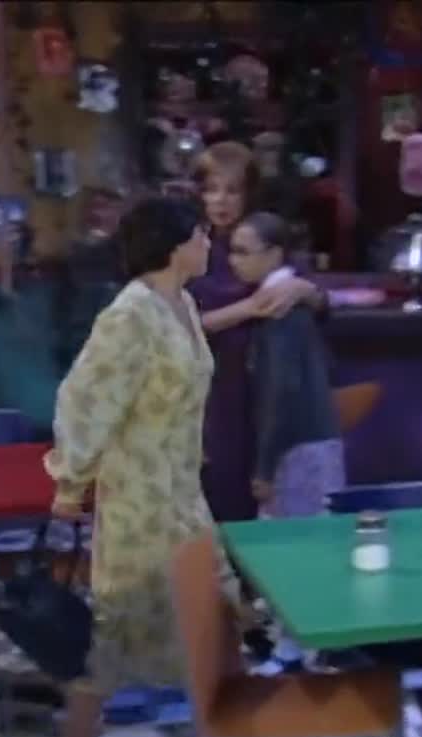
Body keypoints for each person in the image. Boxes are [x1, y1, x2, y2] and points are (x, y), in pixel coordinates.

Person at [45, 195, 248, 737]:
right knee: (118, 624)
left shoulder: (181, 304)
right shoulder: (130, 314)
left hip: (180, 486)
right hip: (138, 495)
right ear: (174, 243)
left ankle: (227, 728)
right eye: (200, 234)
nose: (209, 244)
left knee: (218, 604)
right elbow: (86, 399)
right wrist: (71, 481)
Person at [187, 142, 328, 523]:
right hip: (216, 393)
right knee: (222, 498)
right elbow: (178, 326)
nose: (221, 200)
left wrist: (305, 290)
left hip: (269, 388)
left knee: (274, 505)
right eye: (212, 189)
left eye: (232, 190)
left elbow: (319, 301)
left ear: (249, 193)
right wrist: (248, 309)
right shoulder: (189, 249)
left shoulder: (265, 239)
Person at [230, 212, 346, 670]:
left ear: (274, 254)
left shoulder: (281, 309)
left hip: (297, 448)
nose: (234, 260)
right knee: (297, 551)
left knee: (297, 554)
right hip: (308, 442)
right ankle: (291, 647)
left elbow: (280, 394)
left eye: (243, 251)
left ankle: (302, 649)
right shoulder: (282, 301)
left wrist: (264, 466)